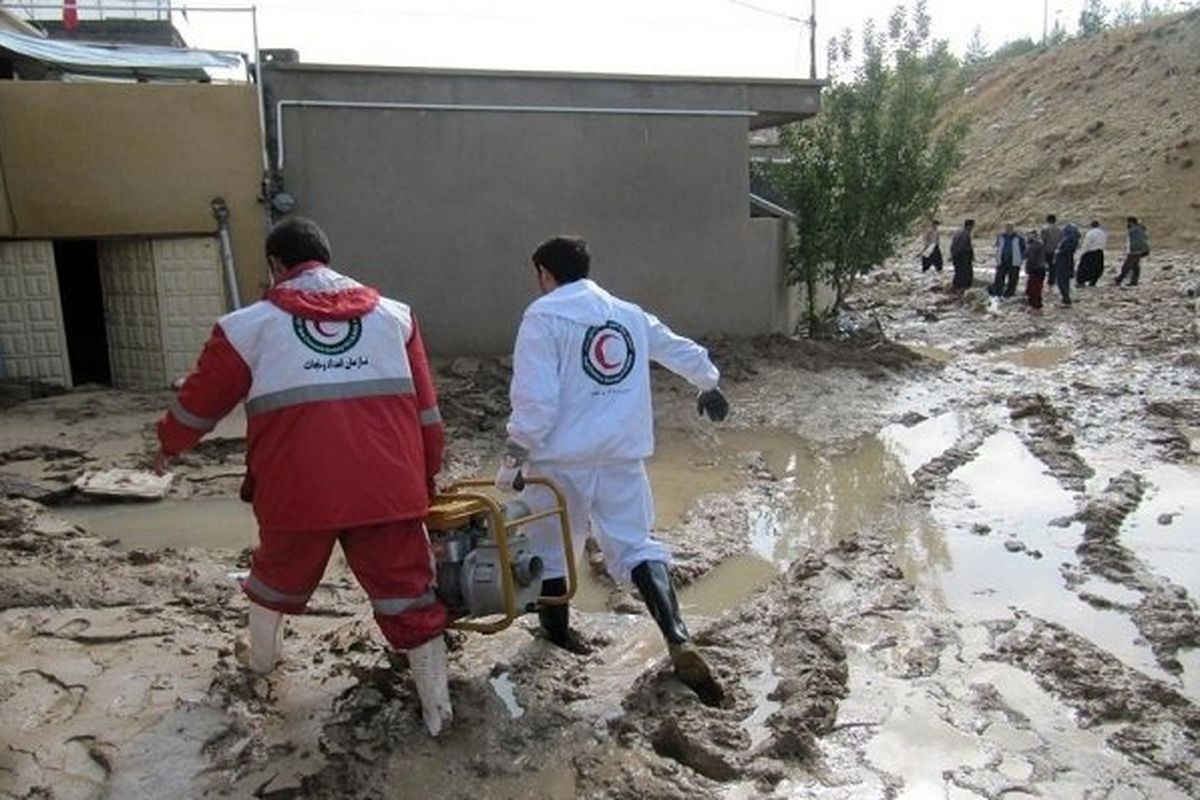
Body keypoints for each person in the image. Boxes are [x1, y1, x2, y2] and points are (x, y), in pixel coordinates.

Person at [153, 217, 454, 736]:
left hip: (298, 494)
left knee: (273, 582)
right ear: (326, 258)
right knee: (410, 598)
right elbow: (428, 416)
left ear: (276, 267)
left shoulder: (246, 327)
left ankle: (262, 672)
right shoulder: (396, 318)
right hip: (387, 489)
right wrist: (422, 482)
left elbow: (198, 404)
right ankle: (438, 716)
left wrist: (165, 447)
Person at [496, 235, 729, 706]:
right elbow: (675, 347)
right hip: (622, 455)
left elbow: (536, 401)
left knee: (554, 549)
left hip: (562, 461)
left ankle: (559, 637)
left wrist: (515, 457)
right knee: (636, 545)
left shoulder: (543, 316)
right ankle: (677, 633)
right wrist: (708, 383)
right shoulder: (626, 313)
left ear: (544, 273)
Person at [989, 223, 1026, 298]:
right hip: (1002, 259)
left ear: (1013, 229)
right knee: (999, 277)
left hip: (1014, 260)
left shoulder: (1019, 238)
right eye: (1007, 228)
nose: (1008, 230)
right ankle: (997, 292)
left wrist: (1021, 258)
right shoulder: (1001, 237)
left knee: (1013, 278)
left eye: (1010, 228)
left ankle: (1010, 293)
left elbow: (1023, 248)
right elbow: (997, 246)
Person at [1115, 216, 1150, 287]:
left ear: (1131, 222)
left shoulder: (1133, 230)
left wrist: (1132, 250)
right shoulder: (1140, 228)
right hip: (1141, 250)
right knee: (1135, 266)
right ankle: (1134, 281)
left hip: (1135, 250)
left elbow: (1135, 241)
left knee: (1127, 266)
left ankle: (1119, 279)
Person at [1053, 221, 1081, 306]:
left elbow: (1064, 251)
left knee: (1061, 281)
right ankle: (1066, 299)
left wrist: (1058, 252)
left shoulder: (1068, 240)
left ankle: (1066, 300)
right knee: (1066, 281)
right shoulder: (1074, 240)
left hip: (1063, 262)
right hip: (1068, 262)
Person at [1077, 220, 1107, 286]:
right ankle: (1093, 282)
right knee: (1097, 269)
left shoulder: (1090, 233)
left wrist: (1082, 253)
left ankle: (1081, 282)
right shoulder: (1102, 233)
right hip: (1100, 253)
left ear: (1091, 225)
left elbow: (1086, 244)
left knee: (1084, 269)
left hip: (1090, 253)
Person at [950, 219, 975, 293]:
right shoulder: (965, 234)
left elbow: (953, 245)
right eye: (973, 226)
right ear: (969, 226)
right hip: (962, 256)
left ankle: (956, 287)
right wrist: (970, 256)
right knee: (965, 273)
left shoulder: (958, 232)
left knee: (958, 272)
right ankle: (963, 288)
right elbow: (966, 247)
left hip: (955, 255)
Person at [1024, 229, 1046, 313]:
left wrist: (1028, 269)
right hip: (1041, 269)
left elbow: (1029, 257)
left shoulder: (1033, 245)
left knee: (1033, 289)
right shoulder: (1040, 244)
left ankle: (1035, 307)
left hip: (1035, 270)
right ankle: (1037, 306)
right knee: (1038, 289)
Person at [1041, 214, 1062, 285]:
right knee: (1052, 266)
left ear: (1047, 220)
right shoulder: (1059, 229)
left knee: (1042, 265)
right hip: (1056, 250)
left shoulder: (1045, 229)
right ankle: (1051, 281)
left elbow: (1043, 240)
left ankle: (1041, 279)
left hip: (1046, 249)